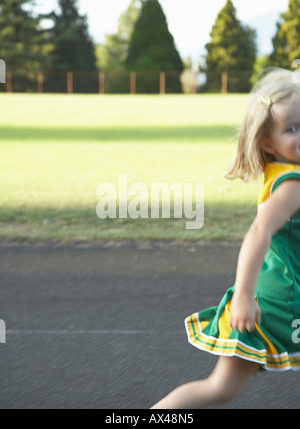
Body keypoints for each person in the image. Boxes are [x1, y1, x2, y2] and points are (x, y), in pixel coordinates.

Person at [151, 68, 300, 409]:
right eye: (291, 129)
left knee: (220, 389)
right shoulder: (292, 186)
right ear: (267, 142)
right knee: (218, 389)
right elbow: (259, 232)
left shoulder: (283, 170)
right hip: (282, 299)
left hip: (279, 290)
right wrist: (244, 294)